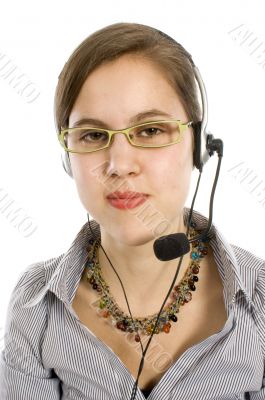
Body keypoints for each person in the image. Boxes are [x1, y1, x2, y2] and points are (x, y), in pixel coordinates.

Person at [0, 22, 264, 400]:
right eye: (93, 135)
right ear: (67, 158)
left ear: (199, 148)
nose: (119, 164)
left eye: (151, 130)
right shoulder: (35, 306)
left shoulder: (259, 298)